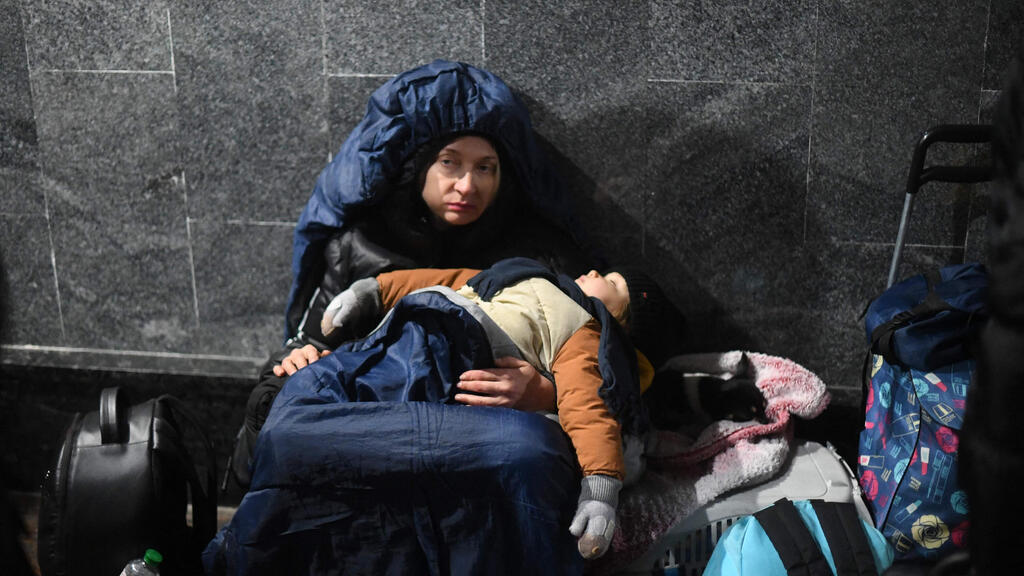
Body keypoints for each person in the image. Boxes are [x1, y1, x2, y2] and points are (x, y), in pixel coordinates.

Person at [228, 60, 595, 486]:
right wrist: (295, 361)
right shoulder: (360, 246)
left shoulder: (540, 253)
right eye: (449, 163)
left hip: (486, 436)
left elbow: (610, 359)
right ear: (418, 166)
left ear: (503, 176)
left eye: (484, 167)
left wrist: (544, 393)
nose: (466, 186)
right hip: (374, 425)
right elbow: (305, 342)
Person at [204, 257, 680, 574]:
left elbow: (587, 403)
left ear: (622, 325)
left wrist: (600, 483)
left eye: (613, 283)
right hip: (399, 336)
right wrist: (374, 290)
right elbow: (448, 278)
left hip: (448, 360)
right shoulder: (521, 273)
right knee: (297, 425)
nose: (596, 270)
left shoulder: (582, 329)